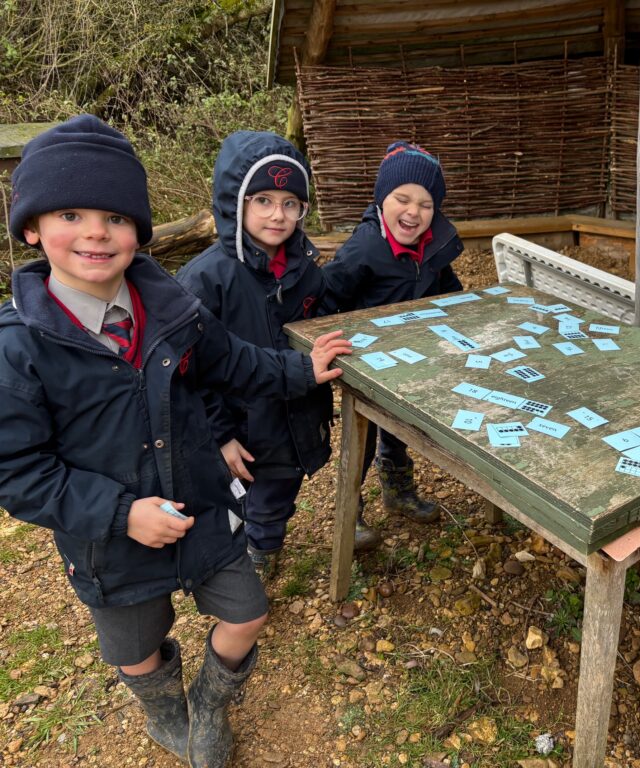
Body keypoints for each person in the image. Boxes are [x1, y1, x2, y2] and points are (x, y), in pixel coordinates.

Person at [0, 115, 352, 768]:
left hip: (204, 512)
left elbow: (238, 362)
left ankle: (210, 704)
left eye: (116, 216)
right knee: (135, 649)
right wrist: (117, 514)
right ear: (31, 227)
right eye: (70, 213)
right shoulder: (17, 348)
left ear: (140, 229)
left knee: (247, 615)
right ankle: (168, 713)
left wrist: (301, 369)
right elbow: (18, 473)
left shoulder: (173, 309)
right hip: (108, 546)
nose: (96, 232)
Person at [177, 130, 346, 577]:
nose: (279, 215)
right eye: (264, 200)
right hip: (244, 427)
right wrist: (220, 435)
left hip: (296, 415)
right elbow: (187, 371)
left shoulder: (305, 270)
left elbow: (321, 322)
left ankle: (264, 539)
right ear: (236, 202)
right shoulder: (205, 281)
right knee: (257, 498)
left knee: (282, 489)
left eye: (291, 203)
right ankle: (257, 554)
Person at [323, 141, 465, 550]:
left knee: (401, 429)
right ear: (381, 198)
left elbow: (448, 292)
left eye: (425, 204)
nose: (413, 212)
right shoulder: (364, 249)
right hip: (367, 365)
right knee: (362, 439)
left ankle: (397, 487)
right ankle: (350, 510)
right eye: (402, 199)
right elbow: (327, 301)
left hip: (413, 358)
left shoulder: (436, 243)